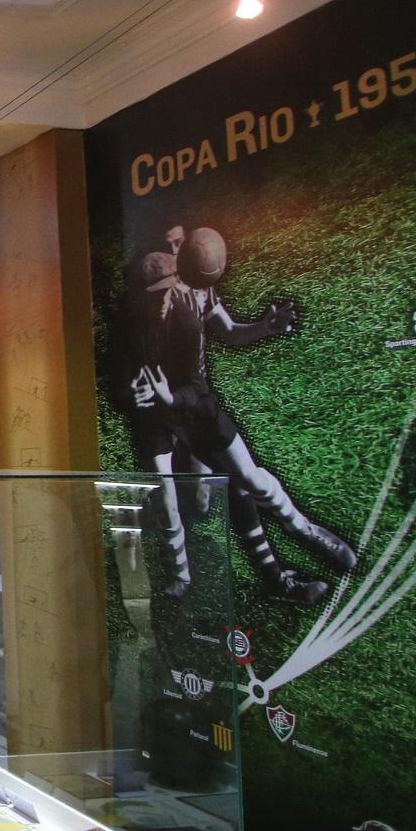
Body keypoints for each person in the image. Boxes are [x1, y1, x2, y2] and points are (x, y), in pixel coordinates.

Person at [132, 229, 357, 602]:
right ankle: (192, 574)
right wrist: (142, 390)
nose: (178, 250)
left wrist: (265, 327)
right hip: (164, 412)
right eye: (171, 244)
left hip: (194, 407)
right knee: (202, 499)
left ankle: (303, 533)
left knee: (244, 480)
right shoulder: (152, 299)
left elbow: (229, 332)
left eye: (181, 242)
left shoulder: (199, 291)